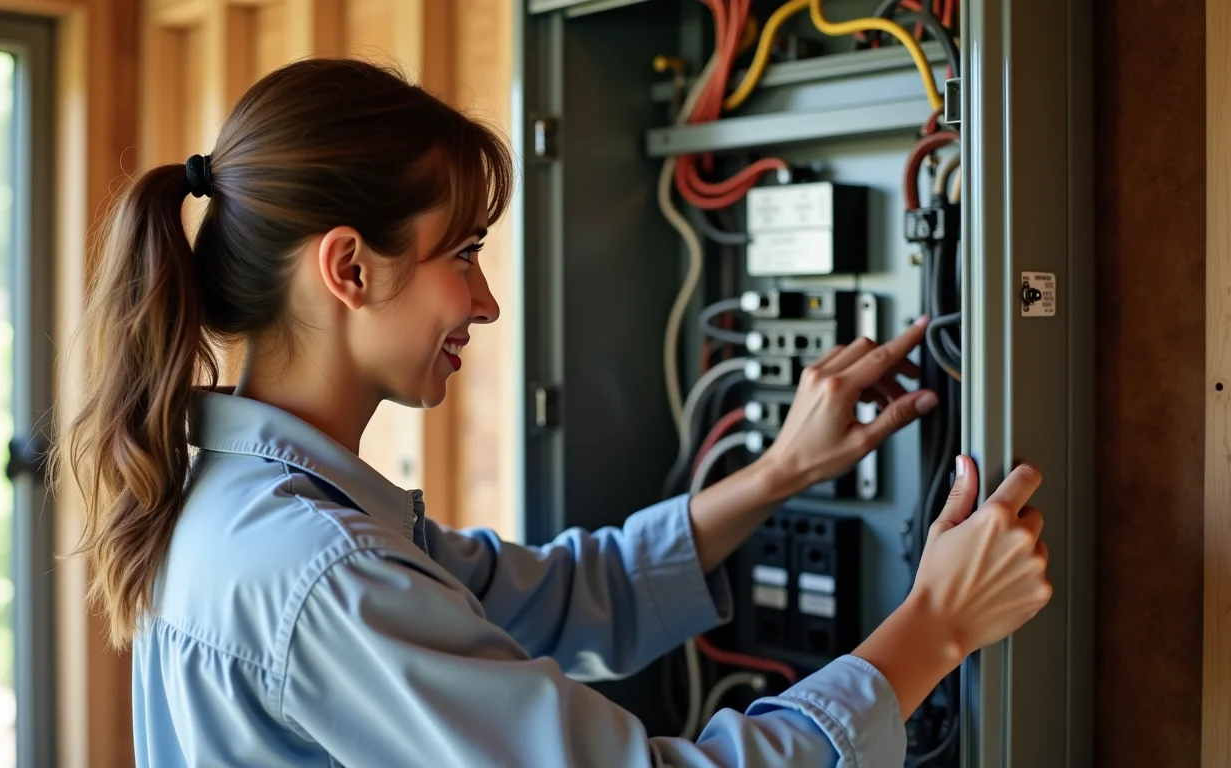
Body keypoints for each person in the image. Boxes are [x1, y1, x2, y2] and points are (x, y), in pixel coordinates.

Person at [60, 58, 1052, 767]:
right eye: (461, 254)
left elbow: (564, 594)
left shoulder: (259, 510)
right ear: (349, 268)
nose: (485, 301)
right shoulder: (319, 570)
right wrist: (934, 625)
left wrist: (778, 471)